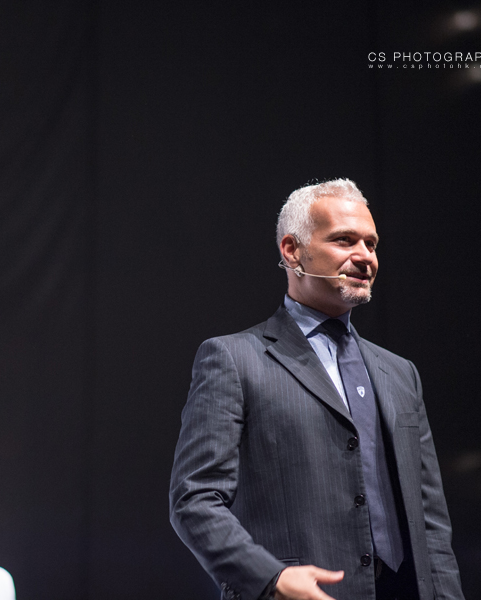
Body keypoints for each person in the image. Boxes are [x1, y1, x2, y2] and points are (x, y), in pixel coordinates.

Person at [169, 179, 464, 600]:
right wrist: (270, 578)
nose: (365, 256)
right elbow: (194, 499)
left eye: (371, 244)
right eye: (345, 240)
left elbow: (429, 519)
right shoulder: (234, 358)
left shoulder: (401, 373)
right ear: (292, 250)